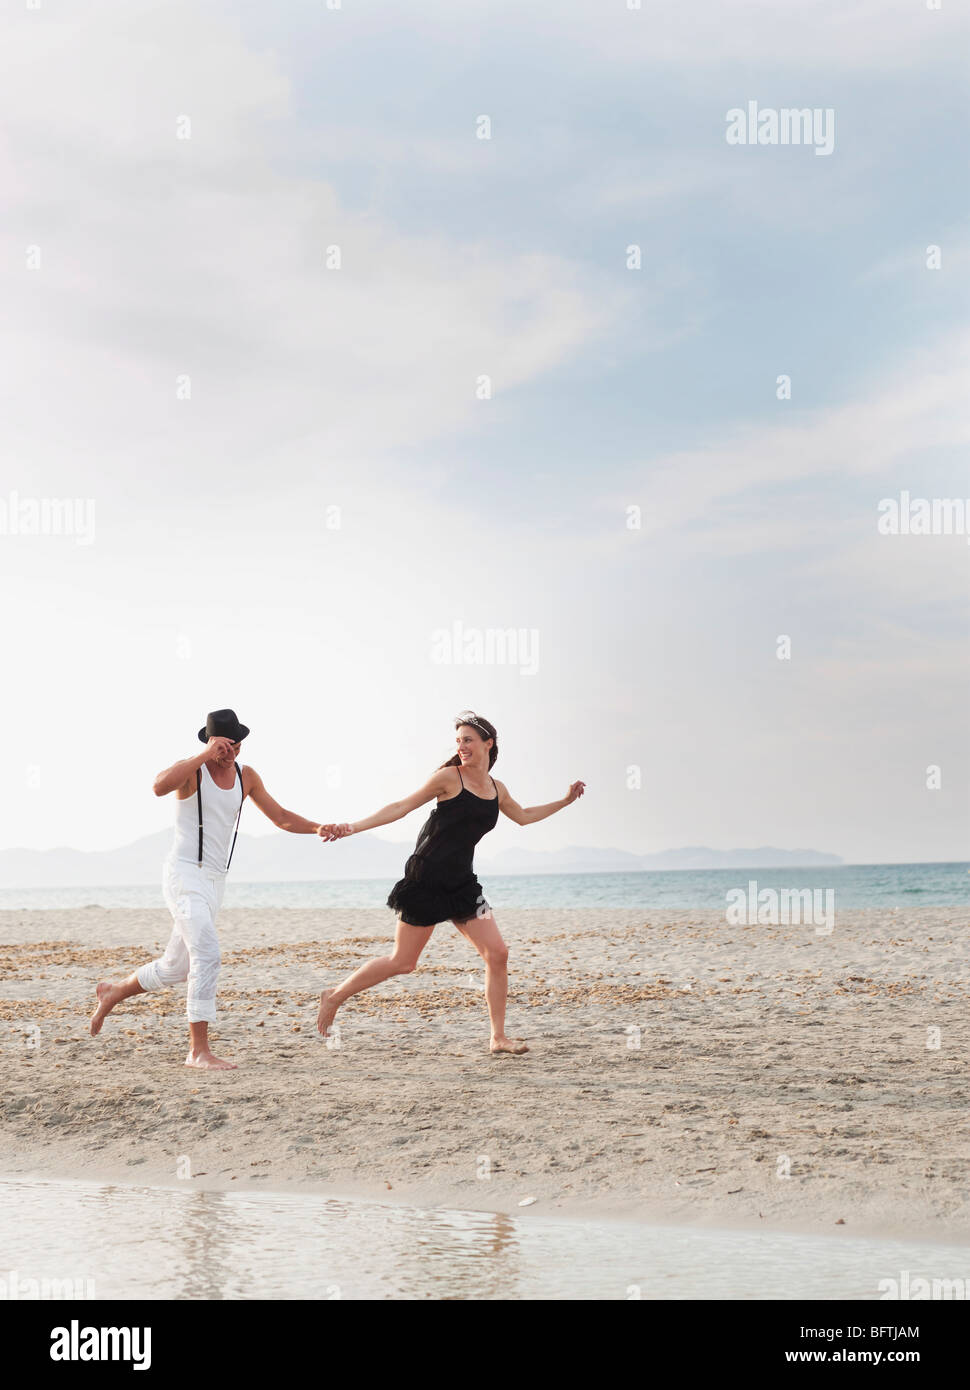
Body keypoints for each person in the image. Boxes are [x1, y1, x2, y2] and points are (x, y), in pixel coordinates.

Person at [316, 710, 585, 1055]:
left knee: (498, 954)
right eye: (458, 741)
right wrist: (350, 827)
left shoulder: (496, 789)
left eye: (468, 740)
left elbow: (525, 817)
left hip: (462, 885)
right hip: (426, 878)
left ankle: (498, 1037)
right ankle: (334, 996)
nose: (462, 746)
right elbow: (401, 806)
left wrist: (564, 800)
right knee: (403, 962)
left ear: (489, 743)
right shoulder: (448, 777)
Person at [89, 709, 333, 1070]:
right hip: (184, 875)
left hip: (216, 881)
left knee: (175, 968)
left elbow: (280, 817)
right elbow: (158, 786)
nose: (231, 751)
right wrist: (204, 755)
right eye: (224, 745)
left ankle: (113, 991)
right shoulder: (193, 770)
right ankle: (197, 1051)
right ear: (210, 741)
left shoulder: (245, 776)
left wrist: (317, 827)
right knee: (208, 954)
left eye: (237, 745)